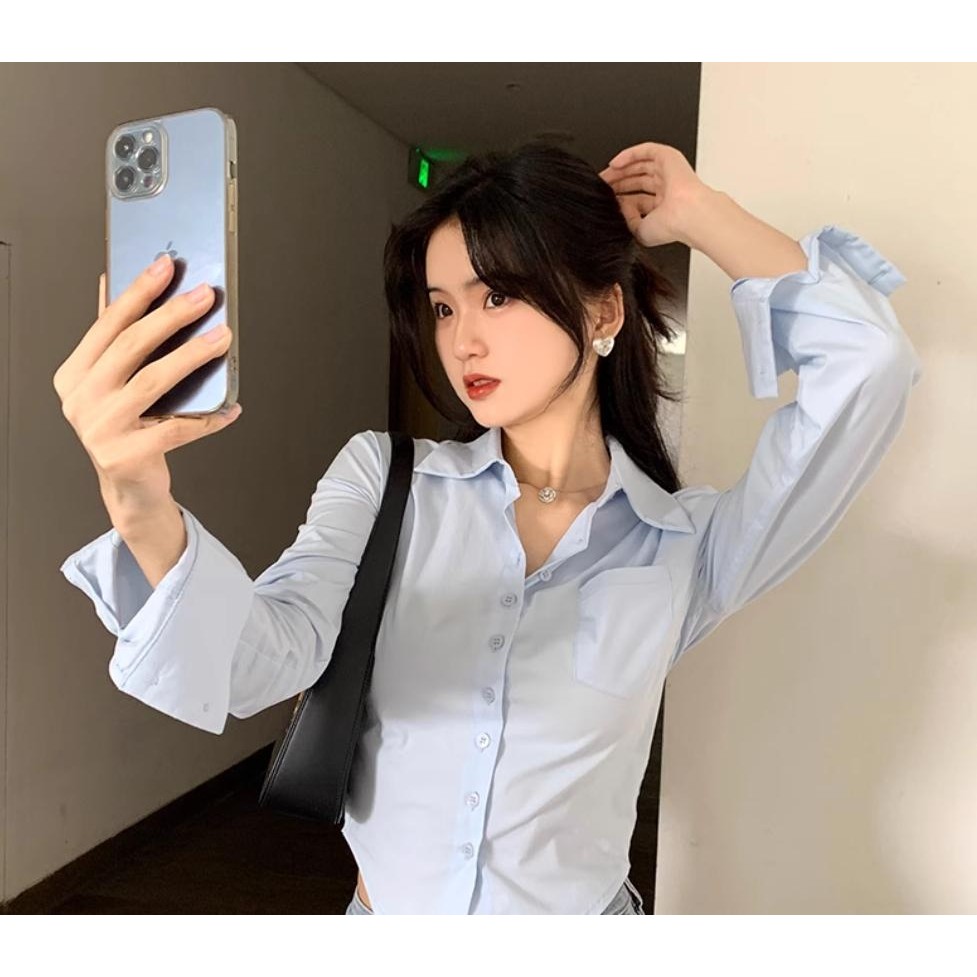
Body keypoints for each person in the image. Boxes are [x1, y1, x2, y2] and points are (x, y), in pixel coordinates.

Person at [54, 140, 923, 915]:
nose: (461, 340)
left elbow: (868, 366)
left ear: (603, 313)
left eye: (496, 295)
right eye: (442, 307)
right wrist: (137, 499)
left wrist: (701, 213)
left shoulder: (686, 546)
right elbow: (254, 665)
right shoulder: (384, 479)